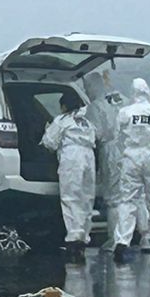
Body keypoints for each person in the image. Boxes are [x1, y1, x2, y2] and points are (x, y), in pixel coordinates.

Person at [114, 78, 150, 264]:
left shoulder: (124, 113)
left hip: (131, 159)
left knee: (127, 201)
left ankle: (122, 241)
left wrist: (127, 152)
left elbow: (118, 138)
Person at [41, 92, 97, 263]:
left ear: (64, 106)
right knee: (86, 198)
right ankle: (83, 237)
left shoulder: (62, 120)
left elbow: (50, 142)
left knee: (71, 197)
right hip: (89, 157)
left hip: (72, 157)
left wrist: (46, 131)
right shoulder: (86, 121)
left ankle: (73, 238)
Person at [83, 70, 126, 242]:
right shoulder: (118, 100)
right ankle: (142, 237)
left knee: (113, 199)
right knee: (130, 197)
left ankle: (115, 239)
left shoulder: (95, 106)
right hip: (125, 149)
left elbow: (96, 133)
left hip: (110, 152)